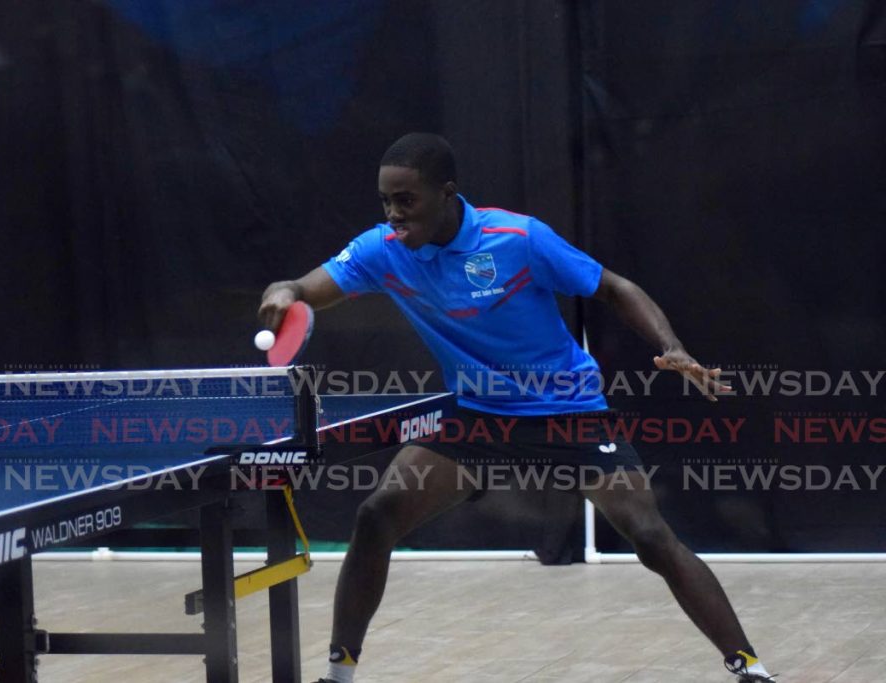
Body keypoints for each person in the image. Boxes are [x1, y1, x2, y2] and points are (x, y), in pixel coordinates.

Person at [258, 133, 777, 682]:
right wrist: (284, 291)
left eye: (406, 200)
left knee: (648, 535)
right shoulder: (381, 249)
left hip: (569, 412)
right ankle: (339, 675)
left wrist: (671, 346)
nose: (394, 214)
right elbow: (303, 288)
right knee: (376, 515)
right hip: (477, 415)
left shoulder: (519, 238)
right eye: (386, 201)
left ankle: (750, 669)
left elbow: (615, 288)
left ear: (447, 194)